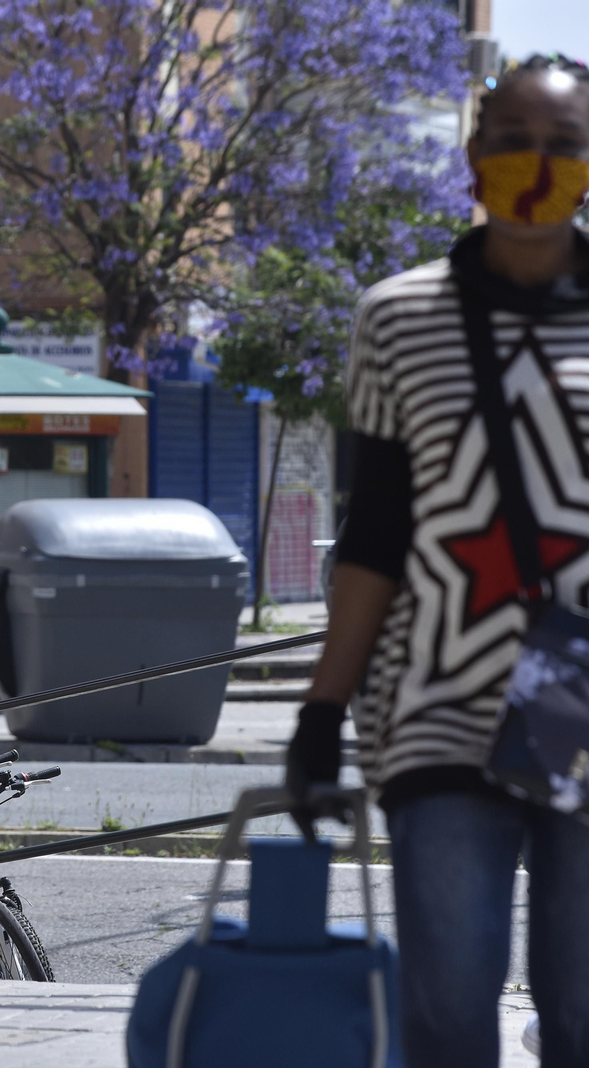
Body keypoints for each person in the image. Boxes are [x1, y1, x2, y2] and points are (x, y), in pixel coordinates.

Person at [284, 55, 589, 1068]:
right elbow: (374, 533)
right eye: (512, 144)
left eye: (563, 147)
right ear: (472, 157)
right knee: (449, 1015)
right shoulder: (397, 316)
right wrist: (321, 712)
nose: (536, 166)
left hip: (584, 706)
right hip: (434, 702)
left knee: (582, 1014)